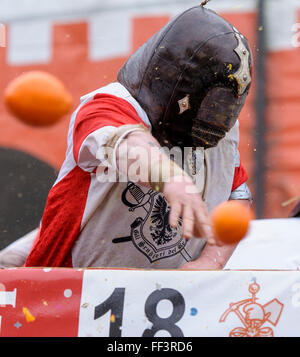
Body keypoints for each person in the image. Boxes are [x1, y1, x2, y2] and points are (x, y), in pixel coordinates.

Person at [0, 4, 253, 269]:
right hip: (68, 295)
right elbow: (126, 143)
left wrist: (211, 261)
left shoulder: (218, 129)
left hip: (169, 301)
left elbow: (237, 195)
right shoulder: (106, 105)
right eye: (213, 101)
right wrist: (170, 179)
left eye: (227, 102)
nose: (219, 113)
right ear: (177, 80)